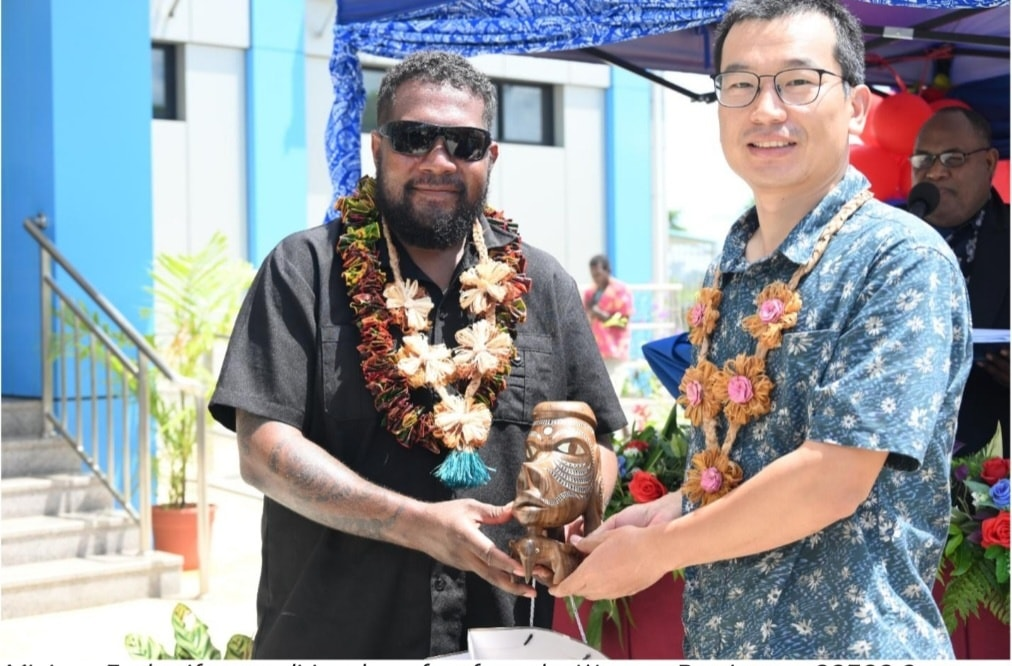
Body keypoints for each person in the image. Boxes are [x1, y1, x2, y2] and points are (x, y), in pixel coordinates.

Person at [552, 0, 972, 659]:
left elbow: (833, 477)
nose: (766, 110)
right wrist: (668, 512)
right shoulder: (734, 260)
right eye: (740, 85)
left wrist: (658, 551)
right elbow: (746, 461)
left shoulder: (898, 259)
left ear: (857, 107)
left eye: (798, 82)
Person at [208, 51, 623, 659]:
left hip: (506, 638)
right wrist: (417, 526)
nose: (438, 161)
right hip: (337, 640)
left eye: (464, 143)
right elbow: (263, 451)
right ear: (377, 149)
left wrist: (576, 503)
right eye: (414, 138)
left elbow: (599, 445)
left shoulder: (544, 283)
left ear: (491, 157)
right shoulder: (303, 271)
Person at [911, 107, 1010, 458]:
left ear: (989, 163)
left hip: (990, 472)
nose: (935, 171)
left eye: (954, 158)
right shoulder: (890, 238)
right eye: (923, 159)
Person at [583, 254, 634, 393]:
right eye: (593, 275)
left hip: (614, 350)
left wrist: (599, 314)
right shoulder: (590, 292)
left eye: (598, 274)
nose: (596, 278)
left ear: (607, 270)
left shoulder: (621, 290)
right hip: (595, 352)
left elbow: (623, 321)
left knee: (613, 394)